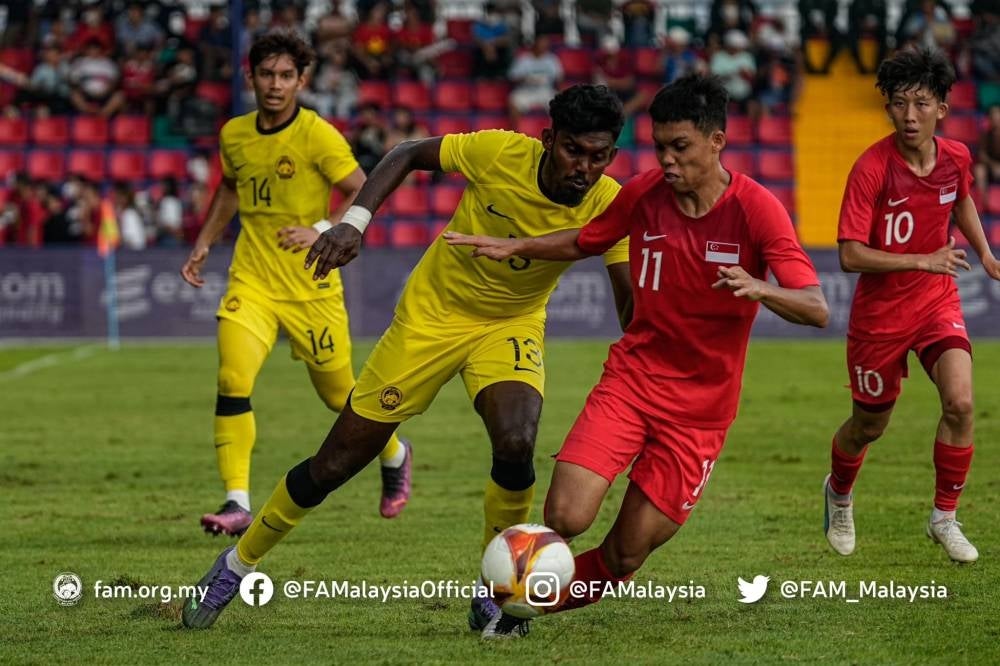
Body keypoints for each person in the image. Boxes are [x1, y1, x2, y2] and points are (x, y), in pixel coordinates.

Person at [181, 83, 633, 630]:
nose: (584, 168)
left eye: (598, 156)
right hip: (430, 318)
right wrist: (353, 222)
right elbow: (409, 153)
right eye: (573, 151)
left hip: (509, 326)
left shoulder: (611, 202)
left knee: (516, 441)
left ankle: (497, 590)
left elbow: (629, 299)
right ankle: (235, 564)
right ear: (547, 140)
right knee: (335, 464)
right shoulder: (499, 152)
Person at [445, 73, 829, 637]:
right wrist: (516, 245)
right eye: (660, 147)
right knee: (564, 517)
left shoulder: (757, 210)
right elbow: (585, 239)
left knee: (625, 556)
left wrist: (762, 288)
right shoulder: (645, 193)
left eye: (681, 147)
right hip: (632, 382)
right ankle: (505, 599)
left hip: (699, 414)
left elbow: (816, 307)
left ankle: (524, 601)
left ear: (716, 141)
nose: (667, 161)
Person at [179, 31, 412, 539]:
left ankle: (395, 452)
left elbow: (362, 190)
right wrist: (204, 242)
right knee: (232, 380)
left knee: (339, 397)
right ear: (250, 77)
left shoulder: (318, 136)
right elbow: (230, 188)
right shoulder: (234, 135)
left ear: (302, 80)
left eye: (286, 75)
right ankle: (237, 501)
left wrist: (323, 229)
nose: (276, 84)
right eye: (267, 74)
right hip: (253, 281)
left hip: (312, 287)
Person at [822, 48, 1000, 564]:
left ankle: (944, 516)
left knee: (961, 402)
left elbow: (960, 197)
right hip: (879, 319)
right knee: (868, 427)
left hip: (935, 303)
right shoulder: (871, 168)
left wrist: (986, 255)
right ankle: (838, 492)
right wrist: (922, 259)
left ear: (942, 108)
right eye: (899, 103)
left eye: (921, 103)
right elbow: (849, 255)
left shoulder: (957, 157)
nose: (909, 115)